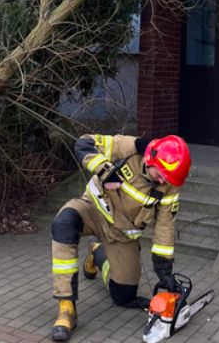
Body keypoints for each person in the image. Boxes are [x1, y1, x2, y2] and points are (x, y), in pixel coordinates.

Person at [48, 134, 191, 341]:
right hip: (92, 210)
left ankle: (97, 254)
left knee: (124, 296)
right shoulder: (128, 148)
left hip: (120, 235)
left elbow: (165, 226)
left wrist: (164, 270)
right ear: (151, 160)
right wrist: (105, 170)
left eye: (168, 179)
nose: (162, 181)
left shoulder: (169, 185)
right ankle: (66, 308)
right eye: (160, 175)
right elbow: (84, 143)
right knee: (63, 224)